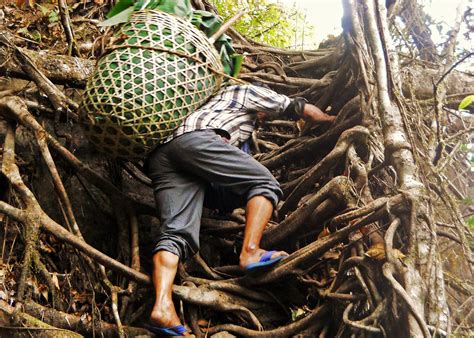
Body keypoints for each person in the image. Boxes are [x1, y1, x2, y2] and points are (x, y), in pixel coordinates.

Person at [144, 84, 335, 336]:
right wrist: (333, 119)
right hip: (197, 140)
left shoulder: (212, 113)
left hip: (163, 156)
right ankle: (251, 252)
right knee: (264, 183)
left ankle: (163, 307)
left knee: (176, 233)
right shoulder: (241, 91)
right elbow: (298, 108)